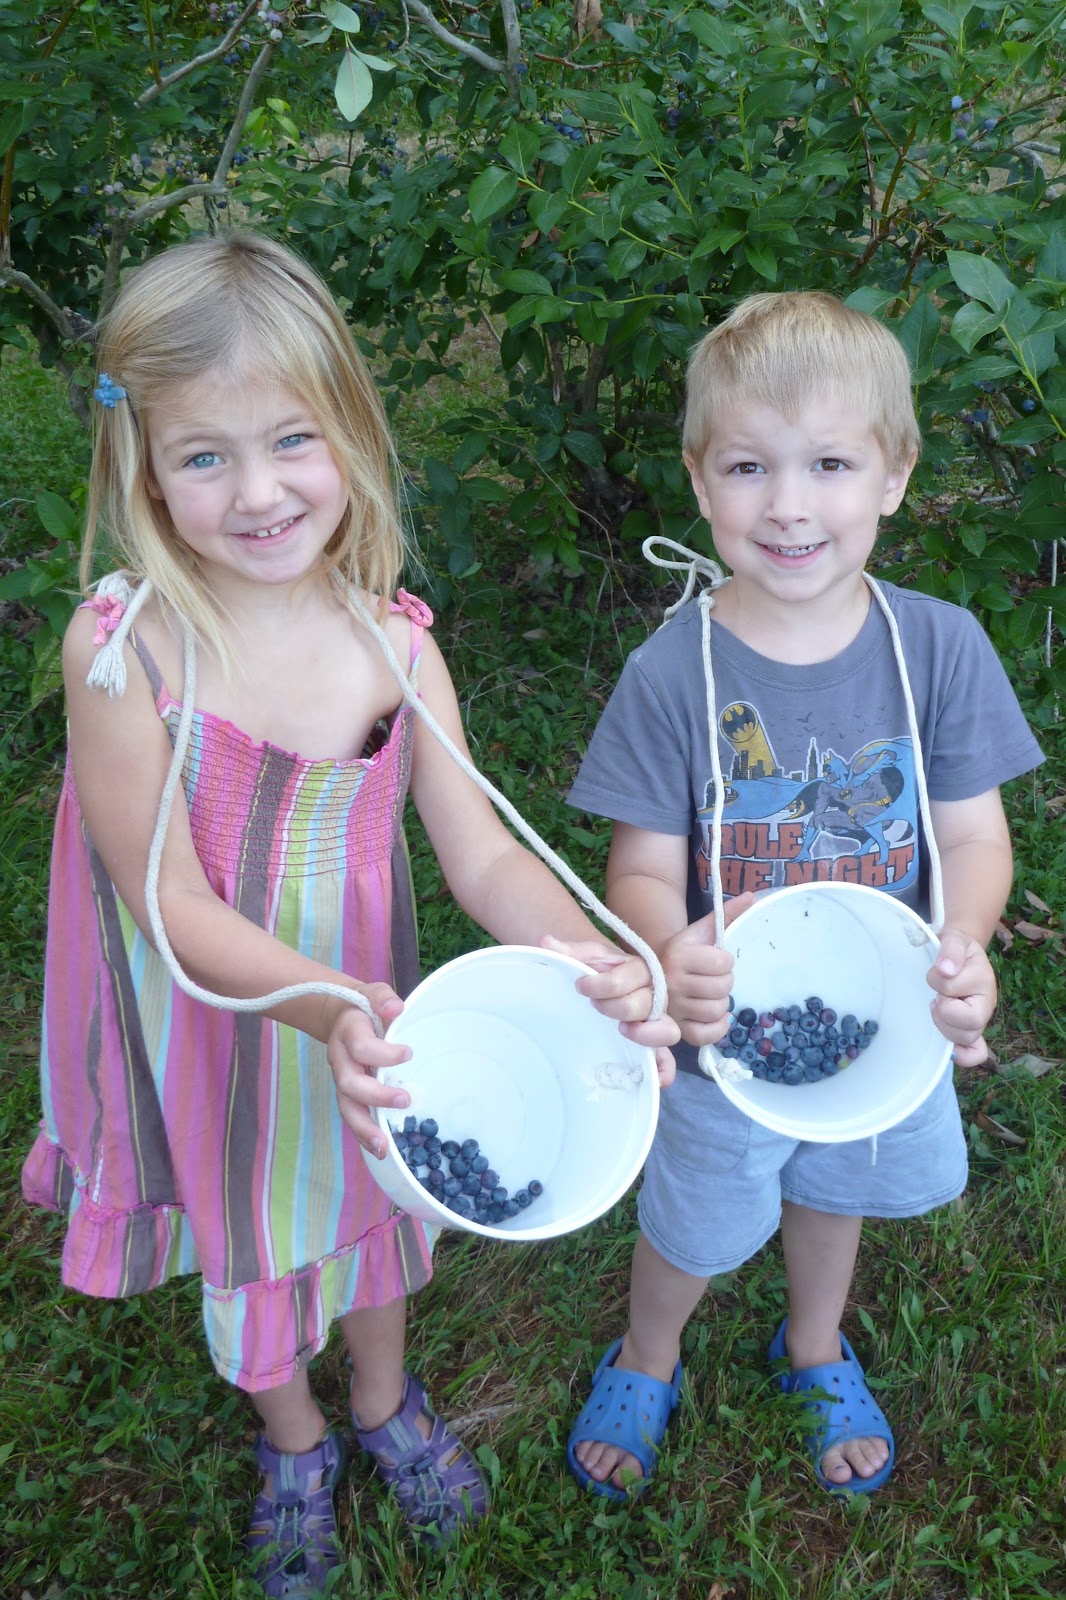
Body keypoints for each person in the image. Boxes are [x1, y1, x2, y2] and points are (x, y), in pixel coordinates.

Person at [19, 229, 677, 1597]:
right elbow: (166, 903)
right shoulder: (125, 649)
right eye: (204, 456)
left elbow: (480, 854)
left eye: (290, 441)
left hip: (369, 1015)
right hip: (217, 1013)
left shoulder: (396, 645)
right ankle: (296, 1436)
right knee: (252, 1223)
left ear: (352, 434)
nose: (259, 491)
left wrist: (581, 952)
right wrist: (320, 1008)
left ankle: (381, 1399)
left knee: (369, 1201)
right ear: (142, 464)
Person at [565, 291, 1043, 1501]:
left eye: (829, 463)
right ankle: (650, 1347)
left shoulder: (938, 647)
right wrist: (670, 946)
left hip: (880, 1022)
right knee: (696, 1210)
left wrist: (965, 938)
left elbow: (972, 837)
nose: (787, 504)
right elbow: (641, 866)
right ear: (698, 478)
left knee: (837, 1186)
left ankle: (814, 1340)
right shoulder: (672, 671)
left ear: (895, 475)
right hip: (726, 1028)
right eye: (748, 466)